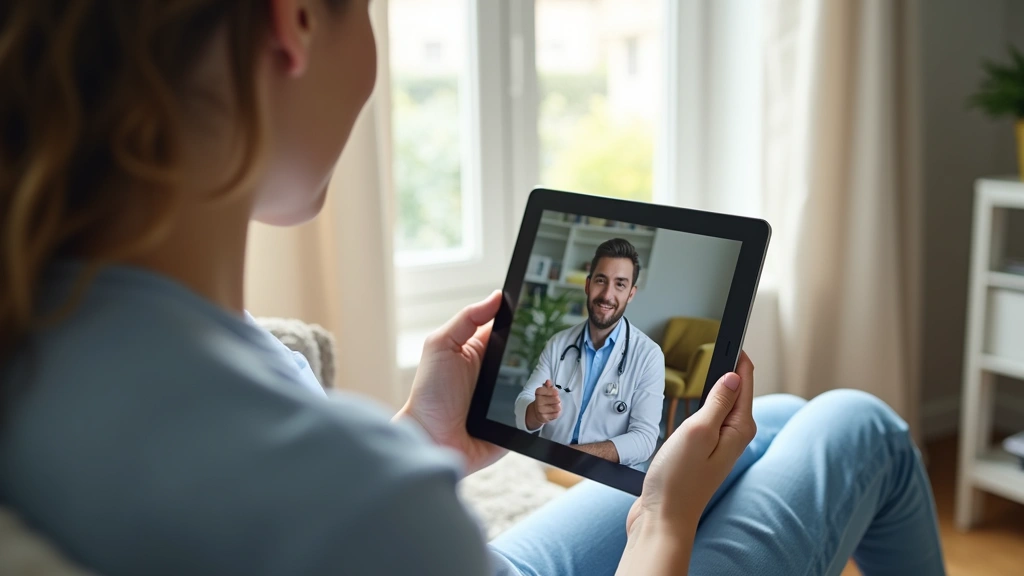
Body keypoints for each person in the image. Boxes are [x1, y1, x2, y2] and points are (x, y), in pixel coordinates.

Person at [0, 1, 946, 575]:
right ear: (291, 23)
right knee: (860, 422)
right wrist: (663, 515)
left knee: (773, 415)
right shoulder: (358, 497)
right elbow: (347, 516)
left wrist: (423, 435)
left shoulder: (59, 327)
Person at [514, 239, 665, 466]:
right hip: (548, 465)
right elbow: (523, 403)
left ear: (631, 294)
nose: (607, 294)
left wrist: (572, 456)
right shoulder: (558, 343)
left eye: (620, 284)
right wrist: (535, 412)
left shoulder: (649, 356)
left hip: (602, 474)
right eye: (601, 280)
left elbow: (644, 439)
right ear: (587, 284)